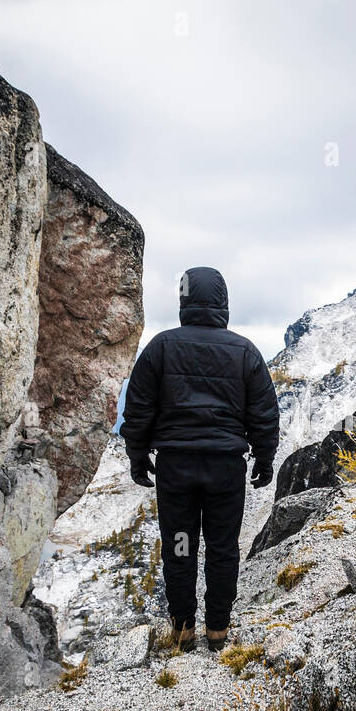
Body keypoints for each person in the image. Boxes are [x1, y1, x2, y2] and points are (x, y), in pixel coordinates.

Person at [120, 266, 279, 651]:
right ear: (223, 301)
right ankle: (218, 631)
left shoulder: (161, 346)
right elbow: (264, 412)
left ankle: (182, 630)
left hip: (176, 470)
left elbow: (138, 409)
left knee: (180, 545)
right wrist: (264, 457)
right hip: (225, 469)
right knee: (223, 548)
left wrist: (137, 457)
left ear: (183, 301)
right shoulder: (245, 351)